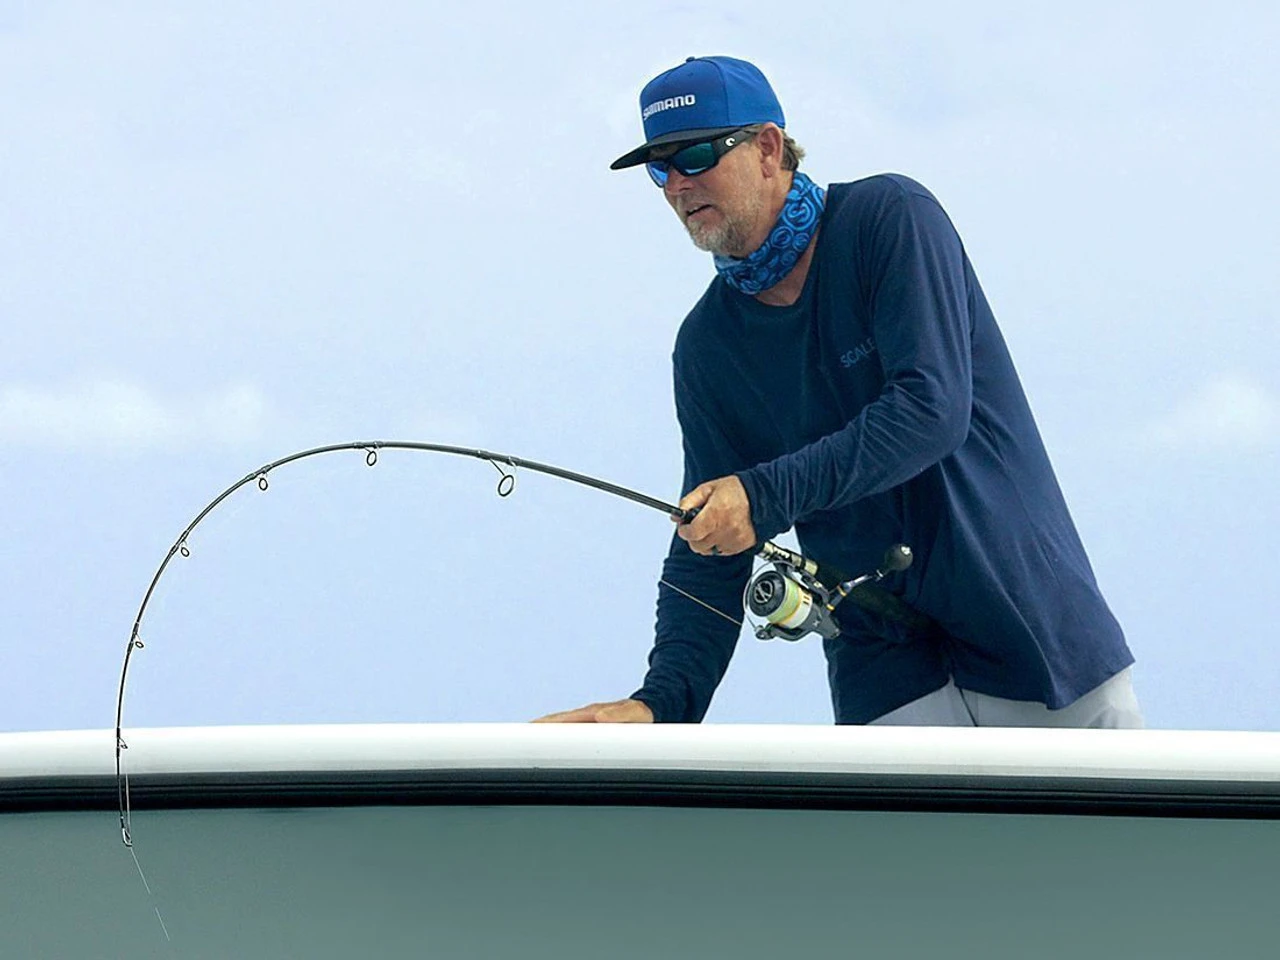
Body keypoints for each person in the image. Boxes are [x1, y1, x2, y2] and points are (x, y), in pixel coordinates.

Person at [536, 55, 1141, 727]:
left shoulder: (890, 218)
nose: (677, 184)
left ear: (768, 148)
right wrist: (660, 703)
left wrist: (761, 496)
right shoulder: (706, 346)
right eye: (659, 168)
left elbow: (930, 410)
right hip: (887, 682)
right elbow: (711, 536)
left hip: (1036, 646)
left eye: (697, 155)